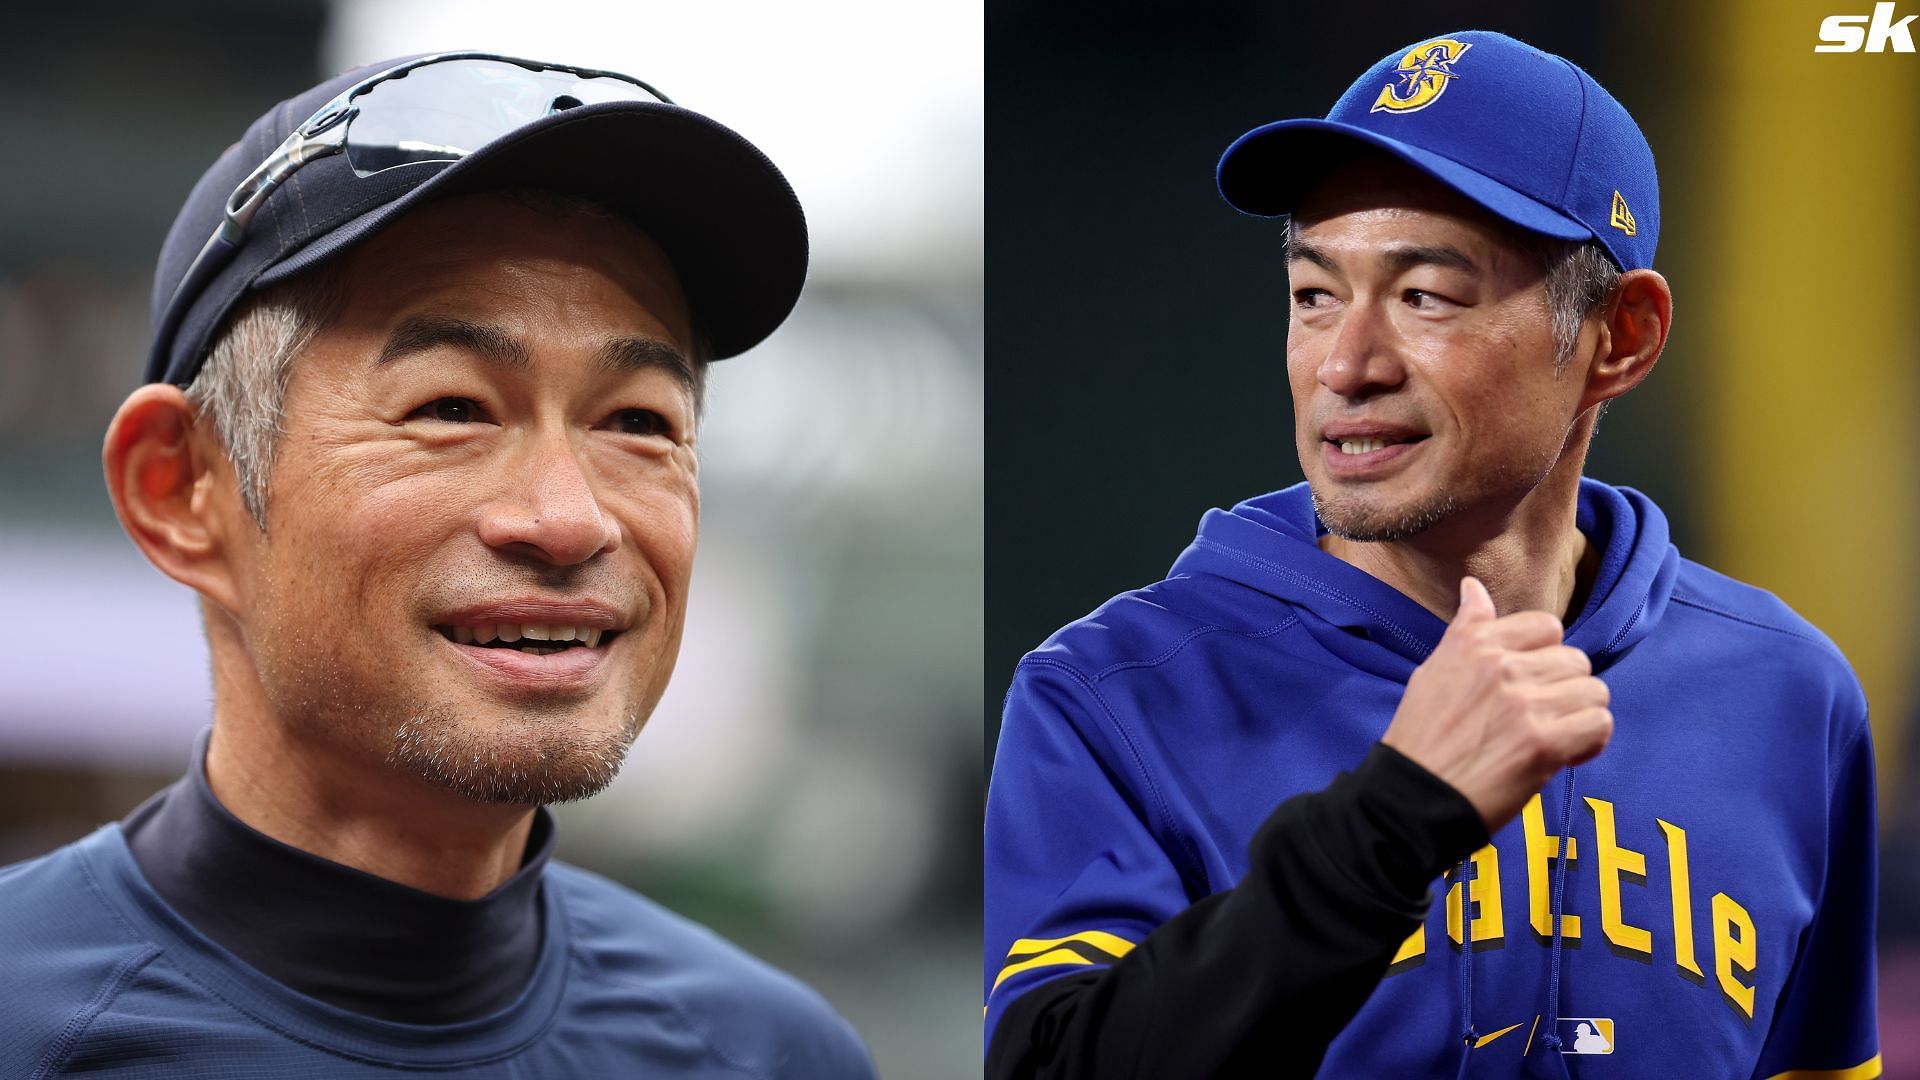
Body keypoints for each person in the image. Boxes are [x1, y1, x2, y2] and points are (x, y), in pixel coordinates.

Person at [985, 31, 1878, 1080]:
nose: (1346, 365)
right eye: (1314, 295)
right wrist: (1393, 820)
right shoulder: (1112, 697)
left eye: (1426, 298)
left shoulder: (1789, 693)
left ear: (1621, 336)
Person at [0, 52, 874, 1078]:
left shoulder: (770, 1053)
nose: (567, 519)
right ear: (182, 492)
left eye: (639, 423)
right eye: (451, 408)